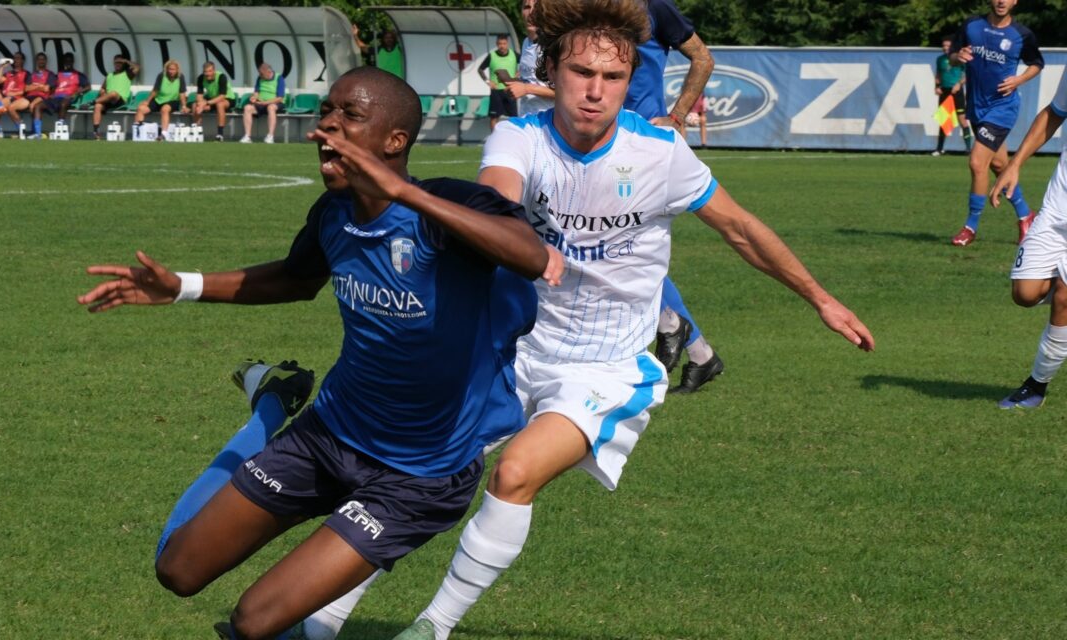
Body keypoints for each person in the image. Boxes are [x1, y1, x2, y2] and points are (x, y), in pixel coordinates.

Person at [293, 2, 873, 639]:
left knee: (514, 472)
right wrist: (506, 234)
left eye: (613, 77)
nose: (595, 90)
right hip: (508, 353)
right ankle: (324, 617)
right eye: (580, 72)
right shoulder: (520, 138)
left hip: (606, 365)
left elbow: (739, 229)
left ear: (629, 81)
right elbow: (494, 199)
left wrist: (820, 297)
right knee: (415, 476)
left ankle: (433, 626)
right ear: (552, 70)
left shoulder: (660, 153)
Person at [77, 65, 550, 640]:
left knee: (255, 623)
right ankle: (271, 407)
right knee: (177, 570)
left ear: (394, 142)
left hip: (416, 478)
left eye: (350, 114)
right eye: (327, 111)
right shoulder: (334, 216)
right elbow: (295, 280)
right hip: (327, 435)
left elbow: (530, 256)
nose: (327, 124)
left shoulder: (448, 207)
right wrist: (184, 286)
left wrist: (404, 192)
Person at [624, 0, 723, 393]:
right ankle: (699, 352)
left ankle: (673, 331)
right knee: (620, 245)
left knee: (621, 245)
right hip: (595, 140)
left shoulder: (654, 8)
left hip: (642, 143)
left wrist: (678, 116)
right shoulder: (584, 7)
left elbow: (703, 57)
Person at [989, 66, 1067, 409]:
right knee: (1025, 293)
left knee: (1064, 298)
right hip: (1056, 209)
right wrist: (1015, 163)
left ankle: (1036, 386)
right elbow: (1054, 113)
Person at [948, 0, 1043, 247]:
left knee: (978, 163)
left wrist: (1019, 80)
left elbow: (1037, 64)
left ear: (1015, 2)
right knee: (1000, 164)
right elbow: (953, 57)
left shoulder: (1022, 34)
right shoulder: (972, 25)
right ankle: (1026, 216)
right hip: (976, 107)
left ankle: (970, 227)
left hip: (1002, 109)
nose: (1002, 1)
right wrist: (958, 56)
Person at [506, 0, 555, 117]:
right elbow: (530, 80)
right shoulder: (525, 42)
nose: (531, 12)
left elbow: (564, 94)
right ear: (521, 12)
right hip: (525, 116)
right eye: (527, 7)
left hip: (548, 122)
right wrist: (512, 83)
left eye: (537, 7)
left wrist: (526, 89)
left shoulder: (553, 45)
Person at [933, 37, 972, 156]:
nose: (945, 48)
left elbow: (967, 75)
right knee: (943, 120)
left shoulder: (959, 59)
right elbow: (938, 74)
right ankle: (939, 149)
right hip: (944, 91)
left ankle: (968, 149)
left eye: (948, 46)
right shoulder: (940, 59)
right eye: (944, 45)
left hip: (956, 91)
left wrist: (959, 84)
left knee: (962, 120)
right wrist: (937, 86)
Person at [135, 59, 188, 141]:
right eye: (169, 69)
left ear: (177, 70)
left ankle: (163, 134)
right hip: (159, 100)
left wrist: (184, 106)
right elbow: (155, 90)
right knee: (141, 109)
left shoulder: (180, 77)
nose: (171, 71)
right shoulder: (161, 75)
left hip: (173, 101)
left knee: (165, 109)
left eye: (173, 69)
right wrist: (147, 101)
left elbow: (182, 93)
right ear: (166, 69)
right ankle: (138, 133)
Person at [93, 55, 140, 140]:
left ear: (123, 64)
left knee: (113, 93)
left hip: (120, 100)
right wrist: (101, 93)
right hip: (108, 100)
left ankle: (92, 102)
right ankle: (96, 131)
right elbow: (103, 88)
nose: (118, 64)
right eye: (116, 62)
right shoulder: (109, 75)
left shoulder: (127, 73)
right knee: (98, 106)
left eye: (120, 63)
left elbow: (137, 67)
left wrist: (126, 60)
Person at [478, 34, 519, 129]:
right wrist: (488, 81)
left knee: (514, 118)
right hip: (496, 91)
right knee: (494, 117)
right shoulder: (491, 56)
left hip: (510, 90)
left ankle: (513, 140)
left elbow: (525, 63)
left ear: (507, 44)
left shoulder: (514, 54)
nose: (502, 46)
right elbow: (480, 69)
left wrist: (519, 74)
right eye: (500, 43)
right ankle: (494, 139)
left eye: (504, 43)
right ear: (497, 44)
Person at [0, 52, 32, 139]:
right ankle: (0, 107)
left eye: (18, 58)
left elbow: (26, 90)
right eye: (15, 58)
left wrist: (13, 93)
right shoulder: (9, 73)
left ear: (23, 60)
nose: (16, 60)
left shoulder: (26, 73)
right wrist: (1, 68)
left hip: (17, 98)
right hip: (5, 97)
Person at [240, 62, 285, 144]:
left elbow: (280, 98)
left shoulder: (279, 78)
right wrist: (254, 97)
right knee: (247, 108)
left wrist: (265, 103)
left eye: (262, 74)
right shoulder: (259, 78)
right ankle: (247, 136)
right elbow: (256, 92)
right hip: (261, 103)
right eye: (259, 74)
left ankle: (270, 136)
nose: (260, 76)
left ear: (269, 72)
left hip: (275, 103)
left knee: (271, 107)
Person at [39, 53, 88, 125]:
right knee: (38, 106)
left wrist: (77, 93)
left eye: (69, 61)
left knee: (63, 104)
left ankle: (60, 126)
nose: (68, 63)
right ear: (63, 62)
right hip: (56, 97)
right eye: (66, 61)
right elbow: (53, 86)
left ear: (73, 62)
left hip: (69, 97)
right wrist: (51, 94)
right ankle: (37, 132)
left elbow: (88, 86)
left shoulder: (78, 75)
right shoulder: (59, 74)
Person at [192, 61, 232, 141]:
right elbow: (199, 95)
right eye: (205, 72)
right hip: (212, 100)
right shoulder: (201, 78)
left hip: (227, 99)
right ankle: (197, 132)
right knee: (195, 105)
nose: (207, 74)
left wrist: (205, 103)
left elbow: (222, 96)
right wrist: (200, 105)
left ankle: (220, 135)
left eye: (210, 71)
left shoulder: (221, 77)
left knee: (219, 104)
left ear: (214, 71)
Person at [23, 52, 56, 140]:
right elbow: (26, 89)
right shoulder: (32, 74)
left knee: (36, 106)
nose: (41, 61)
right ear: (36, 61)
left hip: (43, 98)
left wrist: (33, 87)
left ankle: (37, 133)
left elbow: (46, 89)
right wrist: (40, 86)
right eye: (39, 59)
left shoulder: (50, 74)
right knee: (11, 107)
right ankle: (21, 131)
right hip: (29, 97)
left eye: (43, 59)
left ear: (46, 61)